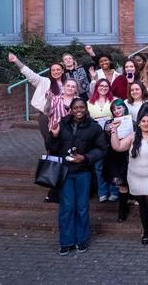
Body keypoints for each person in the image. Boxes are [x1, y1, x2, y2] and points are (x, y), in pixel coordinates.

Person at [46, 98, 108, 256]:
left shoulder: (94, 127)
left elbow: (101, 149)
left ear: (86, 109)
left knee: (81, 207)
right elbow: (52, 148)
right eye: (75, 108)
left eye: (81, 107)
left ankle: (82, 239)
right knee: (67, 207)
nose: (79, 110)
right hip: (65, 172)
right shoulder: (62, 124)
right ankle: (66, 241)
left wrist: (85, 158)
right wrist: (53, 135)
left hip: (83, 172)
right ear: (70, 109)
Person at [111, 113, 148, 247]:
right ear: (139, 123)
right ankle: (146, 233)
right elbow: (117, 147)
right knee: (142, 206)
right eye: (143, 121)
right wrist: (114, 130)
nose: (146, 123)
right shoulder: (133, 136)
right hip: (135, 178)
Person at [7, 53, 64, 143]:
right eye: (53, 70)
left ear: (63, 71)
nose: (55, 72)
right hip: (46, 116)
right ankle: (50, 156)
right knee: (49, 141)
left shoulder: (68, 84)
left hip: (63, 116)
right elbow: (30, 74)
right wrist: (16, 61)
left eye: (58, 69)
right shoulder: (44, 81)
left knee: (64, 140)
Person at [102, 100, 131, 222]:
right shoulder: (109, 123)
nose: (117, 111)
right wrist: (109, 130)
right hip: (115, 157)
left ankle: (129, 204)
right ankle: (122, 211)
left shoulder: (131, 121)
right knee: (122, 184)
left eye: (119, 108)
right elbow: (105, 140)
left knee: (130, 183)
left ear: (124, 108)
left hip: (129, 156)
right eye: (114, 109)